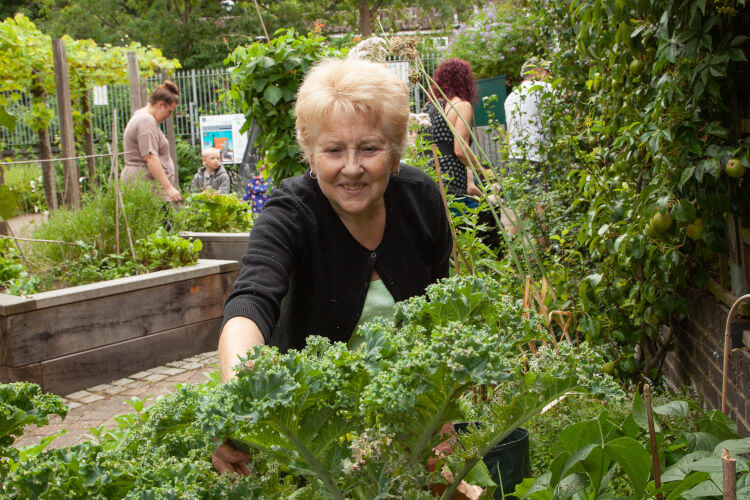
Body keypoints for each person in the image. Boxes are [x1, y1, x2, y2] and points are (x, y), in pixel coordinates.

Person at [212, 58, 453, 475]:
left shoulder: (421, 200)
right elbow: (250, 303)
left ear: (395, 153)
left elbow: (440, 314)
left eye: (370, 148)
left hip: (407, 427)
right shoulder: (290, 213)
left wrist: (442, 411)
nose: (352, 167)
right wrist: (239, 399)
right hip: (314, 437)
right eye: (334, 150)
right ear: (311, 154)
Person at [421, 58, 482, 201]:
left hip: (425, 177)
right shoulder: (461, 106)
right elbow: (461, 151)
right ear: (464, 81)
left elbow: (414, 145)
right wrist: (482, 171)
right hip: (451, 180)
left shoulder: (427, 108)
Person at [121, 81, 182, 203]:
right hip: (146, 189)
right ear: (161, 104)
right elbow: (150, 157)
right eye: (169, 111)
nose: (169, 116)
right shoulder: (145, 121)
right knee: (163, 222)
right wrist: (169, 188)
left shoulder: (143, 117)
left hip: (149, 189)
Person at [503, 57, 553, 185]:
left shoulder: (511, 97)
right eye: (547, 71)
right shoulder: (543, 87)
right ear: (538, 71)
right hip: (537, 155)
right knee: (542, 202)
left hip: (515, 157)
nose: (550, 75)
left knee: (524, 200)